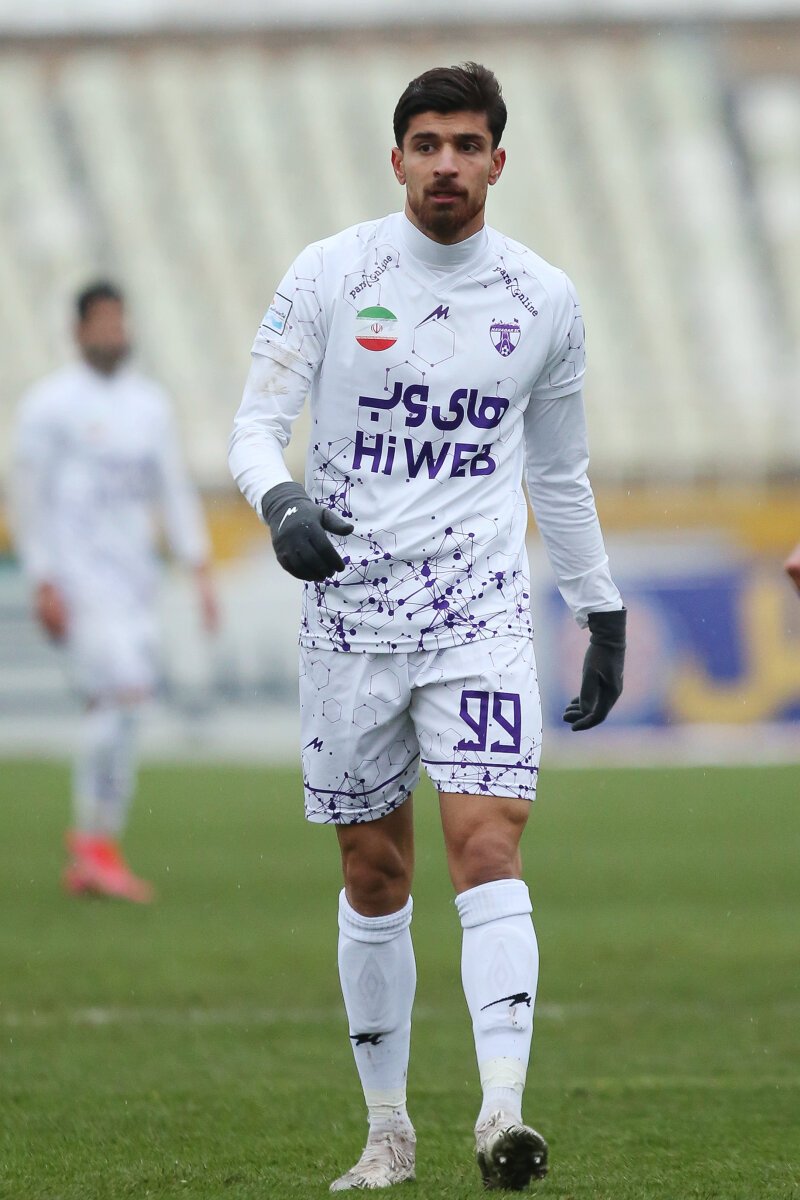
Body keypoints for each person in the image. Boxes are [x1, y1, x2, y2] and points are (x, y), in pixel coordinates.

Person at [229, 63, 626, 1192]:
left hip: (478, 616)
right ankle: (387, 1131)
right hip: (349, 617)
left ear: (499, 160)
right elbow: (253, 427)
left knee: (487, 843)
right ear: (395, 158)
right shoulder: (330, 273)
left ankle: (502, 1114)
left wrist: (597, 608)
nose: (445, 163)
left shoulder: (542, 299)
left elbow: (559, 473)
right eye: (425, 143)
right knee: (373, 869)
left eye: (465, 144)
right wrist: (282, 503)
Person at [11, 280, 217, 903]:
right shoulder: (49, 406)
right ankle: (92, 843)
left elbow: (172, 489)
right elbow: (27, 498)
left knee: (123, 706)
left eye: (119, 320)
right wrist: (42, 577)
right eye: (101, 321)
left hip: (136, 584)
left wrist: (198, 566)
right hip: (80, 583)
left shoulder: (149, 405)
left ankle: (99, 845)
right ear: (78, 331)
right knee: (121, 694)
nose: (113, 331)